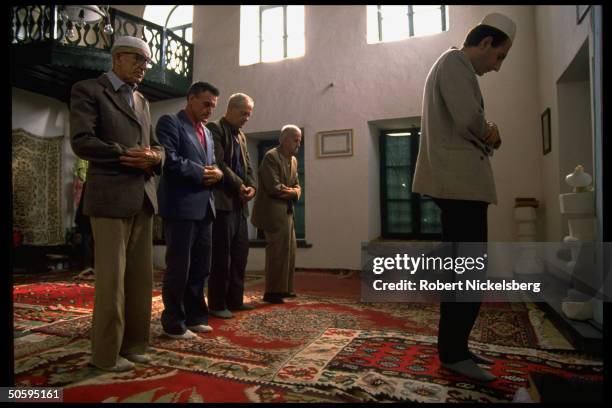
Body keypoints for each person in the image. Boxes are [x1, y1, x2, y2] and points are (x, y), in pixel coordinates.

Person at [412, 13, 516, 382]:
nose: (498, 67)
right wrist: (493, 131)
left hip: (459, 186)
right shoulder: (455, 61)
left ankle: (457, 348)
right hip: (460, 186)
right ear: (486, 42)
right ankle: (454, 354)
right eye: (499, 56)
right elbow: (470, 119)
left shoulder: (452, 65)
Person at [70, 36, 164, 372]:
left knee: (140, 280)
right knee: (112, 280)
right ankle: (106, 356)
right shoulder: (89, 90)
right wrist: (124, 155)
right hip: (110, 197)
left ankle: (135, 345)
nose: (144, 67)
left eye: (146, 62)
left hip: (142, 197)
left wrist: (154, 157)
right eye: (139, 59)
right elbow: (82, 140)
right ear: (118, 58)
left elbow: (156, 146)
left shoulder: (142, 101)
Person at [156, 82, 223, 339]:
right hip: (181, 207)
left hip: (205, 207)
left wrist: (216, 172)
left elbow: (213, 164)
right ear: (191, 99)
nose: (209, 110)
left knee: (200, 268)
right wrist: (202, 173)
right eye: (206, 104)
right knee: (179, 268)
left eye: (213, 106)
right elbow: (169, 159)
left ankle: (196, 317)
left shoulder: (207, 132)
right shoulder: (170, 122)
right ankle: (173, 322)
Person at [205, 93, 257, 318]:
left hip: (240, 205)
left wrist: (251, 187)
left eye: (249, 114)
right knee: (221, 256)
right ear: (231, 109)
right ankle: (217, 304)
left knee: (239, 255)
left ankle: (235, 300)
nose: (247, 118)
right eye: (244, 113)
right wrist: (239, 186)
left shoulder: (242, 136)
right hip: (223, 203)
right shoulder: (215, 128)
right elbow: (219, 162)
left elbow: (249, 168)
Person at [251, 125, 302, 304]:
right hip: (272, 212)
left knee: (290, 250)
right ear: (283, 139)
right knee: (276, 252)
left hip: (287, 211)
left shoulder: (294, 160)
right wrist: (294, 192)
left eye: (300, 140)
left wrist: (294, 191)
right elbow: (274, 187)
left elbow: (297, 185)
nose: (298, 144)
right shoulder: (271, 157)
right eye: (296, 140)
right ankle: (272, 292)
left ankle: (285, 289)